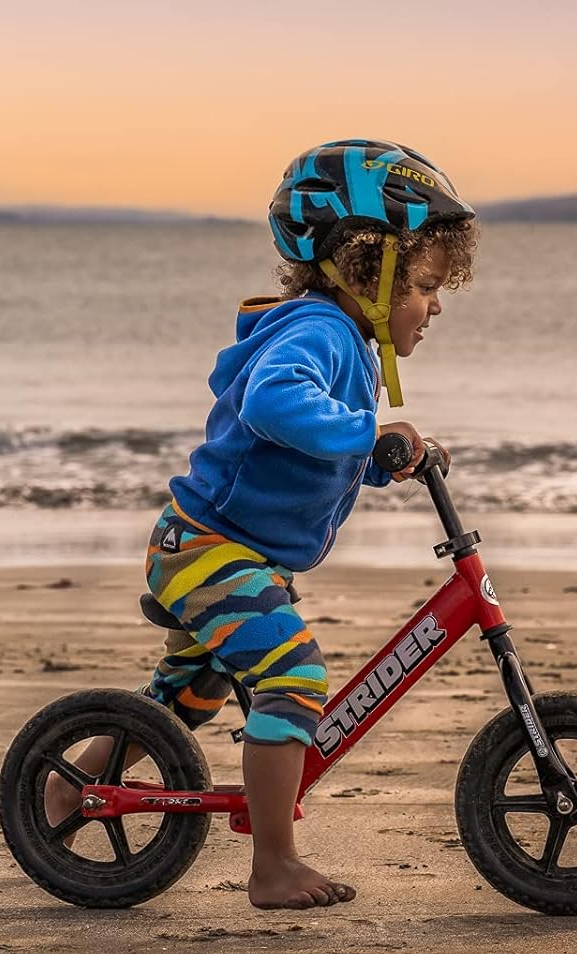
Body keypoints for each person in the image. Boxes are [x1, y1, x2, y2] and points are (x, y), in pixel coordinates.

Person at [43, 139, 478, 909]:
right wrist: (365, 433)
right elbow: (273, 405)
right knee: (294, 676)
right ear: (364, 270)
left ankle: (65, 792)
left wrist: (382, 460)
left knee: (182, 702)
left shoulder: (347, 343)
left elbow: (315, 447)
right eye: (423, 284)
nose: (435, 303)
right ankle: (273, 864)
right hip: (209, 549)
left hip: (222, 550)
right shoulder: (317, 332)